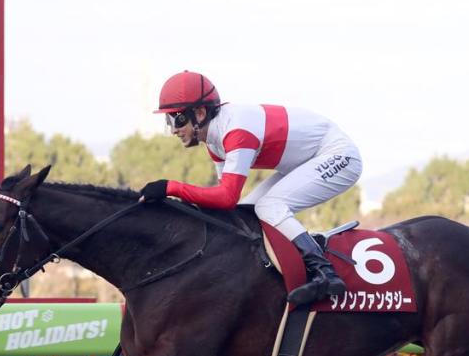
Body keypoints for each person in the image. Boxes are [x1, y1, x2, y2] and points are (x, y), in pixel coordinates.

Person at [138, 70, 362, 306]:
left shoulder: (236, 132)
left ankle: (325, 273)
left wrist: (170, 187)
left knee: (269, 206)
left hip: (338, 155)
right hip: (308, 160)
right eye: (168, 120)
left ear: (200, 113)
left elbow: (225, 197)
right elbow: (229, 206)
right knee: (245, 212)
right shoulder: (213, 140)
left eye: (178, 119)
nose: (173, 129)